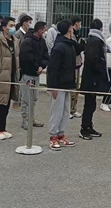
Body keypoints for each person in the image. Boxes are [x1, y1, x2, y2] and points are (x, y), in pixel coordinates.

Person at [47, 20, 77, 150]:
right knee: (57, 111)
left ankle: (61, 134)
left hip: (67, 83)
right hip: (58, 85)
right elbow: (52, 68)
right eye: (72, 28)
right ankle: (53, 136)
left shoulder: (70, 45)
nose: (73, 30)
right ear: (69, 29)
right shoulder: (59, 47)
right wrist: (52, 86)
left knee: (65, 111)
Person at [79, 19, 108, 140]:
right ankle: (84, 128)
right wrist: (100, 69)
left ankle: (89, 126)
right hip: (92, 78)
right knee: (89, 105)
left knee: (91, 104)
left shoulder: (92, 39)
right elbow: (93, 59)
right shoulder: (96, 41)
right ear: (100, 29)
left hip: (91, 76)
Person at [18, 21, 49, 130]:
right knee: (26, 98)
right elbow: (26, 58)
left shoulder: (42, 41)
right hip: (28, 74)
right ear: (40, 30)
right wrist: (36, 67)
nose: (45, 31)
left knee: (34, 98)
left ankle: (32, 118)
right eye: (44, 29)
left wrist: (42, 66)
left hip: (37, 75)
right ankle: (25, 120)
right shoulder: (27, 42)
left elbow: (46, 56)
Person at [69, 15, 84, 118]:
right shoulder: (71, 34)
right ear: (76, 23)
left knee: (76, 88)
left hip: (78, 63)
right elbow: (74, 48)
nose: (80, 25)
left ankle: (73, 109)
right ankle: (69, 110)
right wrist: (81, 47)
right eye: (80, 23)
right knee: (71, 88)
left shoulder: (78, 34)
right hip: (72, 64)